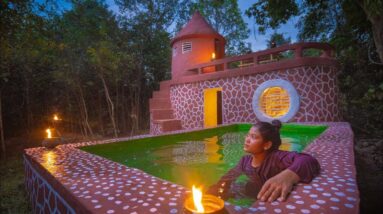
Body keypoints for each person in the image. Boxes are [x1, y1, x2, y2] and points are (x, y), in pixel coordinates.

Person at [208, 120, 320, 202]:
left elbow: (308, 160)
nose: (247, 139)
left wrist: (288, 176)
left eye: (253, 137)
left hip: (268, 195)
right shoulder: (245, 161)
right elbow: (228, 178)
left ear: (267, 145)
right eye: (248, 135)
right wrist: (217, 189)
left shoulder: (276, 158)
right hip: (253, 191)